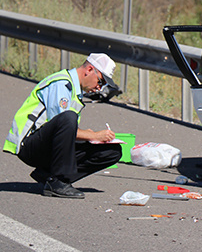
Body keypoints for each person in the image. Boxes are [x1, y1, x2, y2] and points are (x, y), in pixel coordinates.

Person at [3, 53, 122, 199]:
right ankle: (59, 181)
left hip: (47, 144)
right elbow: (61, 123)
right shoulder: (62, 84)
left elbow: (64, 131)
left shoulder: (74, 90)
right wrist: (93, 135)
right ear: (89, 69)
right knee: (69, 117)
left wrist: (90, 137)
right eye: (100, 81)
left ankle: (48, 175)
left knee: (112, 151)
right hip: (29, 144)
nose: (99, 88)